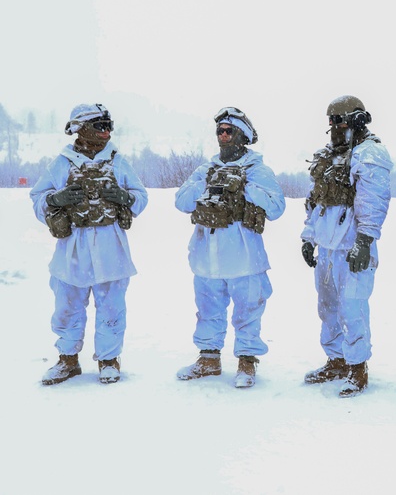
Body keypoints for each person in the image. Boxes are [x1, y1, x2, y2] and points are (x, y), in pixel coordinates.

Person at [30, 103, 149, 385]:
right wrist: (54, 200)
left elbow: (141, 196)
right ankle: (68, 360)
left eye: (109, 125)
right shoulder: (62, 162)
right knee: (67, 305)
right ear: (81, 128)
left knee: (111, 306)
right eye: (100, 126)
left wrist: (125, 198)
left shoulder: (117, 161)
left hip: (111, 245)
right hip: (73, 246)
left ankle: (109, 359)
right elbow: (38, 197)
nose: (106, 131)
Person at [174, 107, 286, 388]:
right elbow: (181, 201)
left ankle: (247, 362)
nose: (223, 136)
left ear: (242, 135)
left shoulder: (258, 170)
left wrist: (244, 184)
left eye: (229, 131)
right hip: (206, 256)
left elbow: (276, 207)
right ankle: (209, 359)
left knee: (248, 310)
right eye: (219, 131)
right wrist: (209, 182)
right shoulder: (206, 169)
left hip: (244, 257)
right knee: (207, 309)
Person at [300, 95, 392, 398]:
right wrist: (308, 237)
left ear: (355, 120)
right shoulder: (328, 156)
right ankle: (336, 360)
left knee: (352, 308)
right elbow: (317, 203)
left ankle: (357, 367)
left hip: (353, 246)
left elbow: (373, 202)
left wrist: (364, 241)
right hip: (327, 247)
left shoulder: (369, 154)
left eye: (339, 121)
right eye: (331, 122)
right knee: (327, 308)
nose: (334, 127)